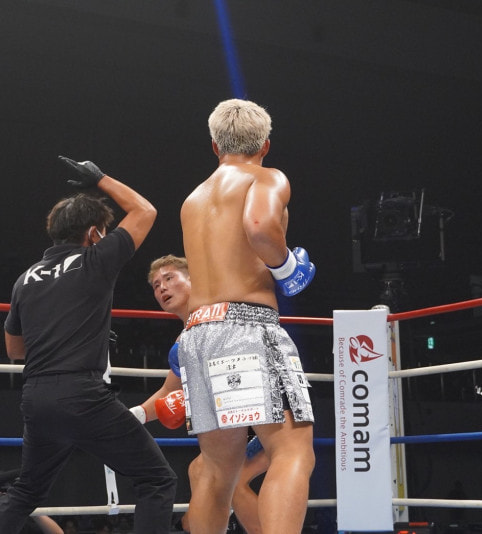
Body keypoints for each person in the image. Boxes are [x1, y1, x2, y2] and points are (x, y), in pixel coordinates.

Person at [0, 157, 176, 534]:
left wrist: (69, 333)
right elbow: (145, 211)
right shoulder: (95, 259)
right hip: (82, 396)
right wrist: (99, 178)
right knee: (157, 479)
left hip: (37, 398)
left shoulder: (26, 278)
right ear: (94, 233)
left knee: (26, 490)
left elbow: (15, 350)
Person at [180, 99, 315, 534]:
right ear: (265, 145)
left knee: (217, 471)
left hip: (197, 332)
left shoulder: (193, 199)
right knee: (292, 451)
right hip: (247, 324)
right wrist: (288, 268)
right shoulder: (266, 176)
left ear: (215, 146)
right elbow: (259, 226)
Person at [134, 254, 271, 534]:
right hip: (238, 422)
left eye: (169, 278)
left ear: (193, 280)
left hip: (267, 415)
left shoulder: (217, 314)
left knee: (227, 477)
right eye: (156, 285)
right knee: (201, 470)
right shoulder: (186, 337)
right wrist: (130, 417)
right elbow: (168, 392)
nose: (162, 287)